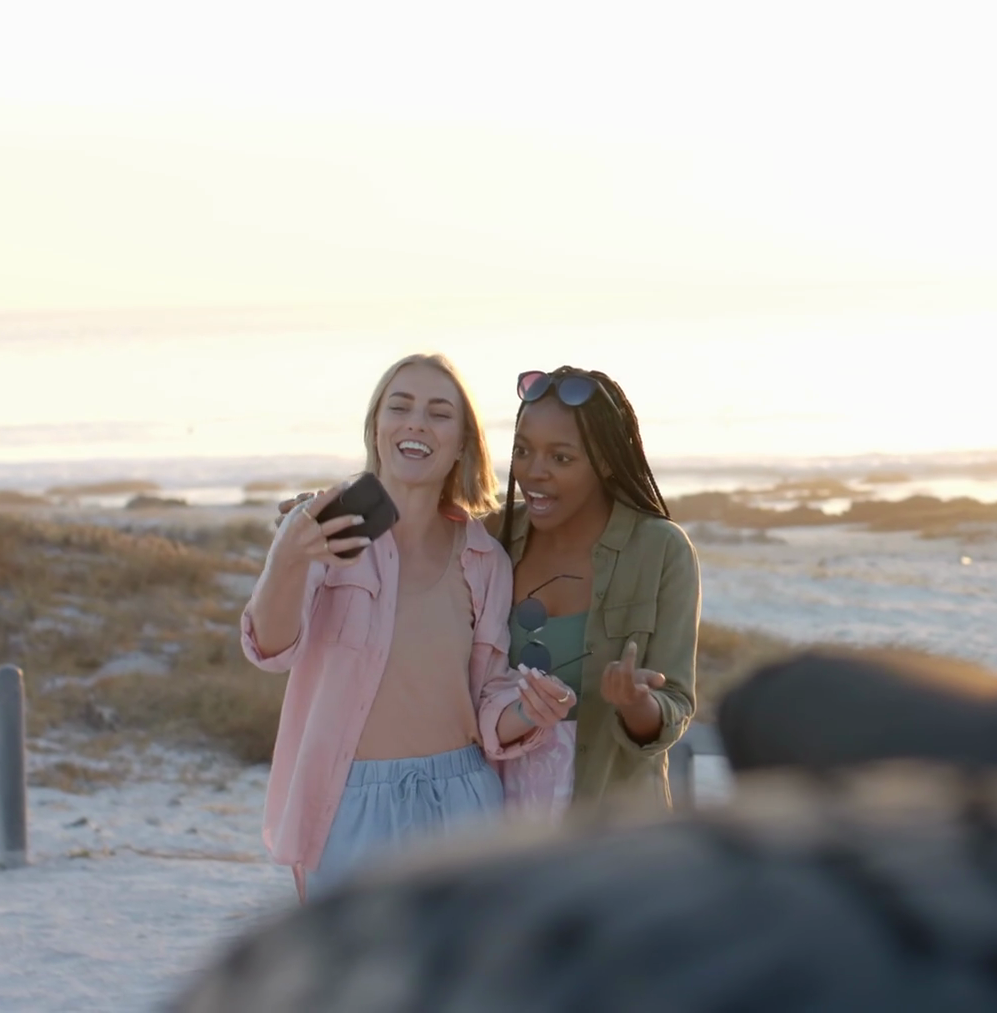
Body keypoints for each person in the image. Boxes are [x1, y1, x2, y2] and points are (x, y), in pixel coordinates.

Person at [240, 352, 577, 901]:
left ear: (462, 443)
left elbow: (487, 699)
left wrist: (530, 711)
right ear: (376, 426)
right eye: (400, 407)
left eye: (439, 413)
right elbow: (270, 649)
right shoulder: (325, 531)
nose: (417, 423)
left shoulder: (485, 559)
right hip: (350, 803)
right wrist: (287, 557)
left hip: (465, 801)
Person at [490, 366, 700, 815]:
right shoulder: (492, 538)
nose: (534, 472)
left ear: (605, 462)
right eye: (523, 451)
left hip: (611, 823)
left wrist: (637, 704)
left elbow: (676, 703)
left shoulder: (661, 549)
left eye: (561, 458)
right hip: (496, 818)